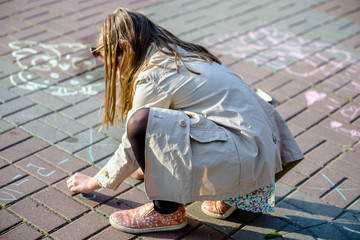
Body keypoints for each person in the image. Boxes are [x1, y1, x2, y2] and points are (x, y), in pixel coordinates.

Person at [66, 7, 303, 234]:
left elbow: (132, 142)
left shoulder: (153, 75)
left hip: (245, 158)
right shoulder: (178, 52)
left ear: (126, 48)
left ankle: (166, 211)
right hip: (261, 155)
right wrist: (148, 164)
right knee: (160, 122)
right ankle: (233, 194)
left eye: (115, 65)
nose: (117, 74)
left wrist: (94, 182)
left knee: (140, 123)